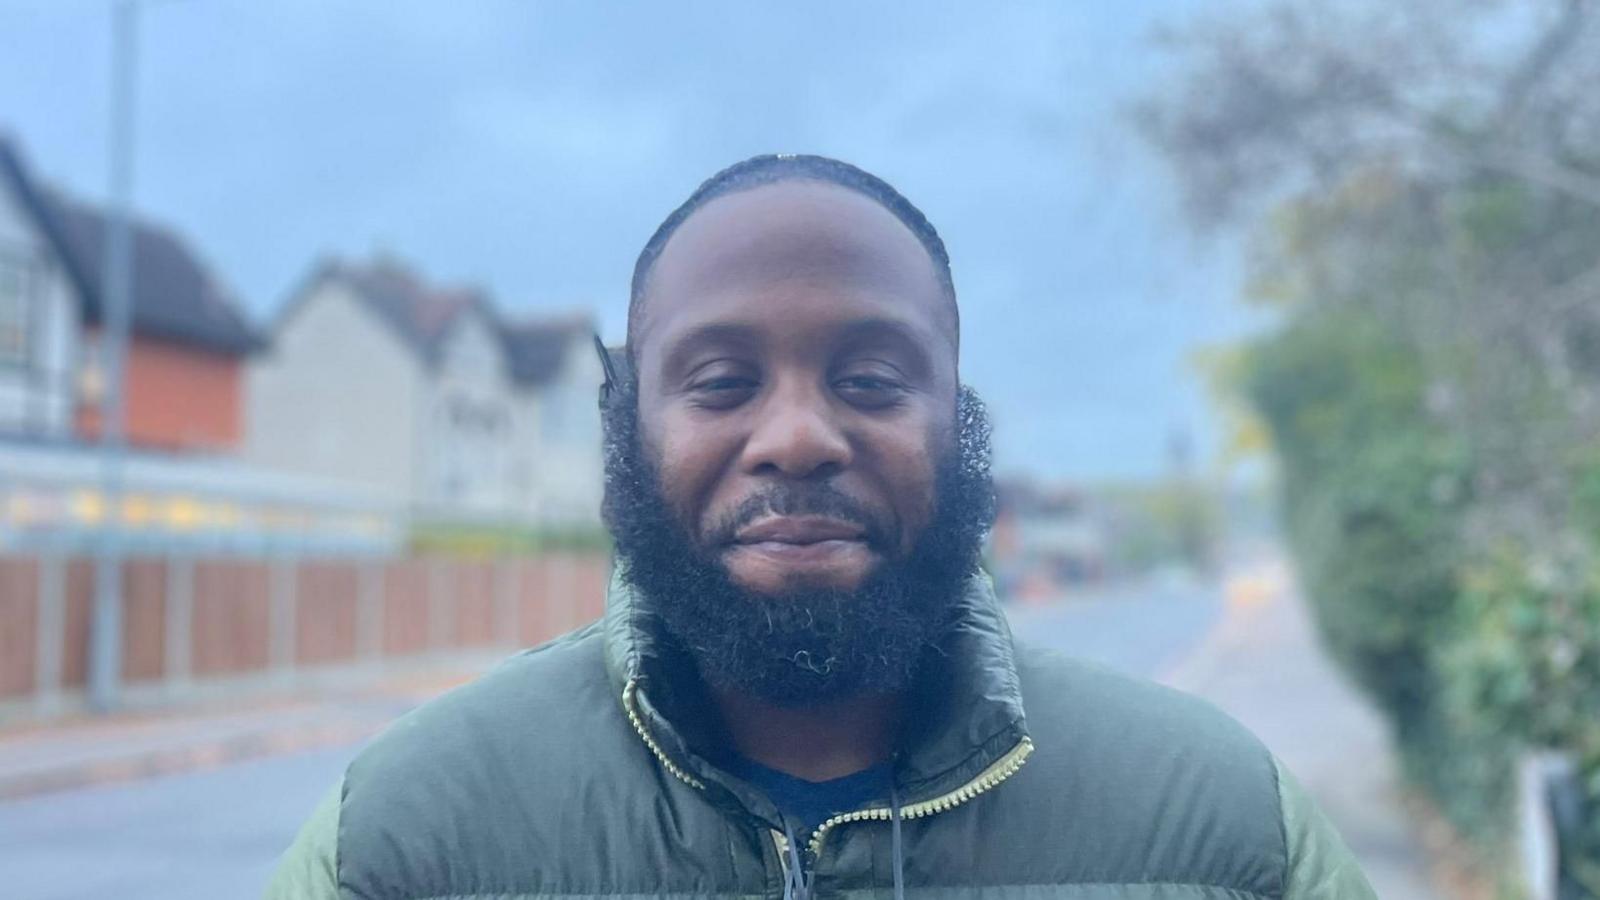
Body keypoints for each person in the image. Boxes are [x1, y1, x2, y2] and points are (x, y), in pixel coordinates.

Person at [265, 154, 1375, 899]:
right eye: (720, 382)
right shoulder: (405, 833)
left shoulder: (1224, 829)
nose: (796, 437)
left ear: (958, 423)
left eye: (872, 380)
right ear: (627, 431)